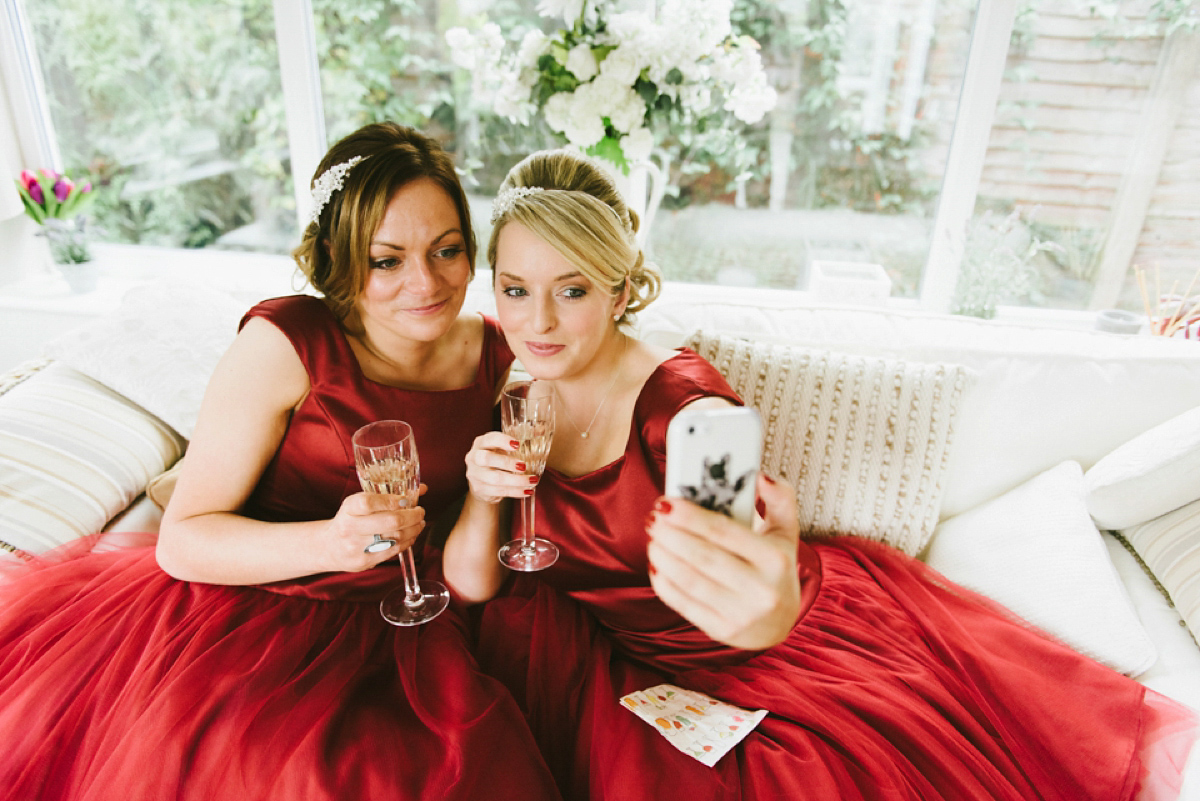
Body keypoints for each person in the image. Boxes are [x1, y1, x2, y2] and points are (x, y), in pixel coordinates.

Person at [455, 148, 1198, 801]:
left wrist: (767, 592)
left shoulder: (691, 411)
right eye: (516, 289)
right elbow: (472, 583)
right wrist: (484, 497)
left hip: (754, 659)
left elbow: (739, 580)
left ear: (620, 292)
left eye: (573, 289)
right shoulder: (518, 392)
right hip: (608, 650)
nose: (539, 321)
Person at [0, 123, 561, 801]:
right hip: (257, 607)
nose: (426, 282)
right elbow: (182, 539)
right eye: (387, 260)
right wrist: (331, 540)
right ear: (338, 256)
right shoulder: (286, 342)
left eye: (446, 250)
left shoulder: (495, 353)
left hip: (412, 614)